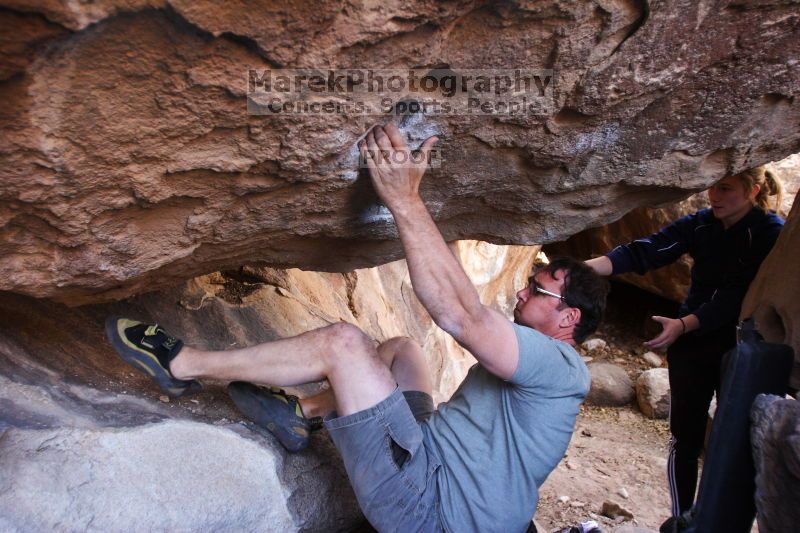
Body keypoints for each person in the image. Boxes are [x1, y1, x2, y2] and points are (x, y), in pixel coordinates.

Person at [106, 124, 609, 533]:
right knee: (404, 349)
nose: (523, 292)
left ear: (568, 319)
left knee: (344, 343)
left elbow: (461, 315)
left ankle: (183, 364)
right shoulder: (551, 365)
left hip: (431, 510)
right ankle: (301, 413)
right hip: (431, 455)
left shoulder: (559, 366)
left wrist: (405, 199)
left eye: (538, 290)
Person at [584, 166, 784, 531]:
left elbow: (735, 296)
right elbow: (647, 251)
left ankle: (714, 522)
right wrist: (583, 270)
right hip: (692, 342)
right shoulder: (702, 224)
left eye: (725, 189)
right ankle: (680, 519)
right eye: (712, 187)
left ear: (753, 191)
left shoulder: (770, 234)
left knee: (731, 438)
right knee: (684, 437)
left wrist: (683, 324)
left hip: (739, 345)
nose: (714, 196)